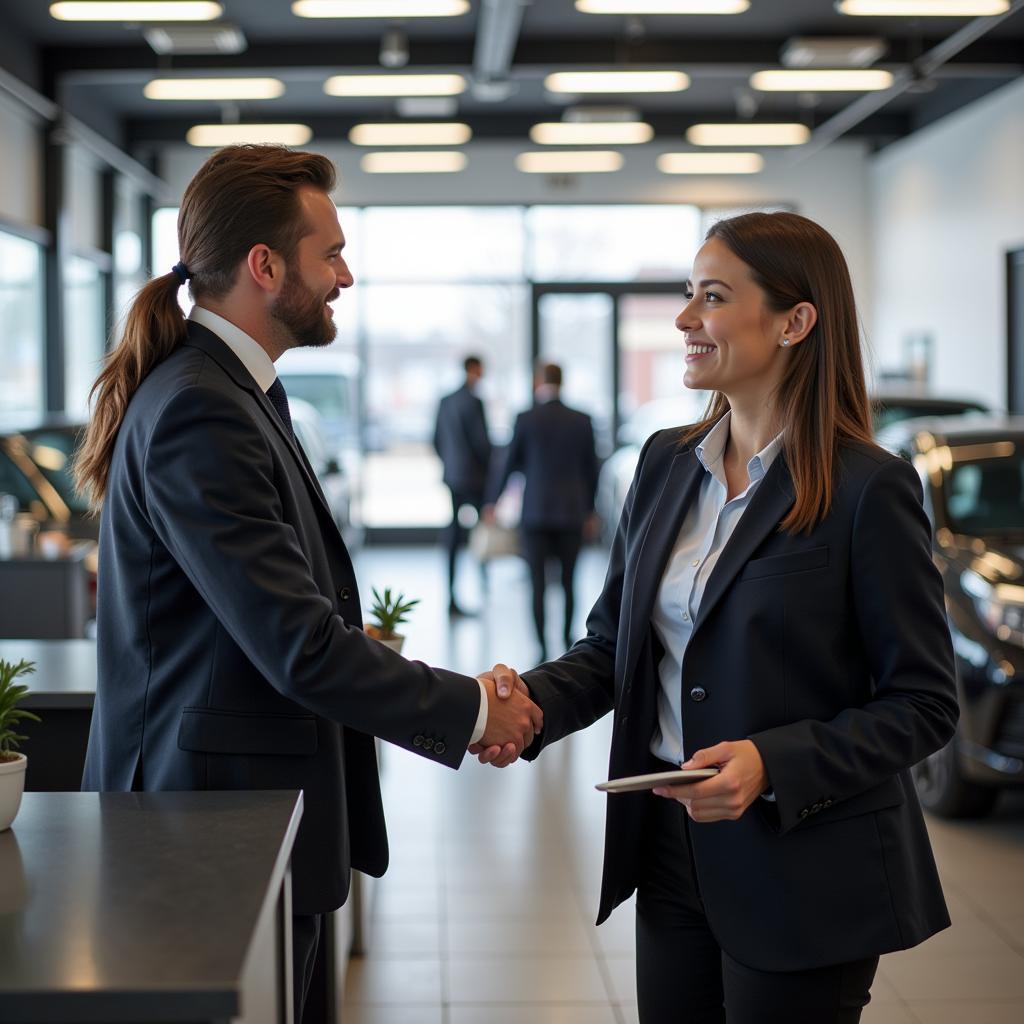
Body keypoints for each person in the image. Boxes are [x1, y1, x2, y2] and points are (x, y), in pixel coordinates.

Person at [73, 144, 542, 1024]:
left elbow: (263, 615)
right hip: (208, 833)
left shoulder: (234, 393)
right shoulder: (201, 408)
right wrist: (475, 709)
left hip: (238, 823)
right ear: (264, 265)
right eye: (330, 253)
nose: (346, 276)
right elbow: (296, 644)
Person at [475, 212, 959, 1022]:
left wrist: (773, 761)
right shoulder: (664, 463)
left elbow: (924, 703)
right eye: (688, 294)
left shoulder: (868, 488)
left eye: (712, 296)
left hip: (806, 860)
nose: (684, 318)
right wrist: (524, 705)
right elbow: (612, 648)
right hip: (671, 849)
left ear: (795, 321)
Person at [486, 362, 599, 661]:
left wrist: (492, 501)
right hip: (572, 513)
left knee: (537, 583)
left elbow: (509, 464)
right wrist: (591, 510)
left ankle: (540, 647)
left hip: (535, 513)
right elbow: (592, 469)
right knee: (568, 580)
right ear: (562, 382)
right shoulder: (582, 420)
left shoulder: (526, 418)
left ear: (538, 382)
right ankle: (566, 639)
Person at [433, 355, 492, 616]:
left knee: (454, 535)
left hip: (453, 476)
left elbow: (435, 438)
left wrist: (449, 463)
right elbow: (482, 443)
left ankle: (452, 595)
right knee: (482, 534)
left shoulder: (445, 401)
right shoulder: (475, 401)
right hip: (475, 478)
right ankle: (483, 586)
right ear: (473, 369)